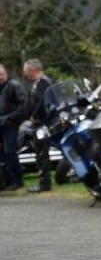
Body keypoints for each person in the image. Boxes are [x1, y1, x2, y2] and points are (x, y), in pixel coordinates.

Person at [21, 60, 53, 193]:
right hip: (38, 124)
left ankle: (44, 182)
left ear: (32, 70)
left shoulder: (43, 83)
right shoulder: (40, 83)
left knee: (41, 153)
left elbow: (42, 101)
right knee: (37, 149)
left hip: (42, 124)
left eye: (26, 71)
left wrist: (35, 115)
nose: (25, 74)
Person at [0, 64, 26, 190]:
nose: (0, 77)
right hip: (1, 124)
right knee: (2, 154)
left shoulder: (14, 85)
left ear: (6, 73)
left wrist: (11, 118)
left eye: (1, 74)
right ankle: (6, 181)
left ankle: (18, 180)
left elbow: (23, 105)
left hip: (11, 124)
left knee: (10, 151)